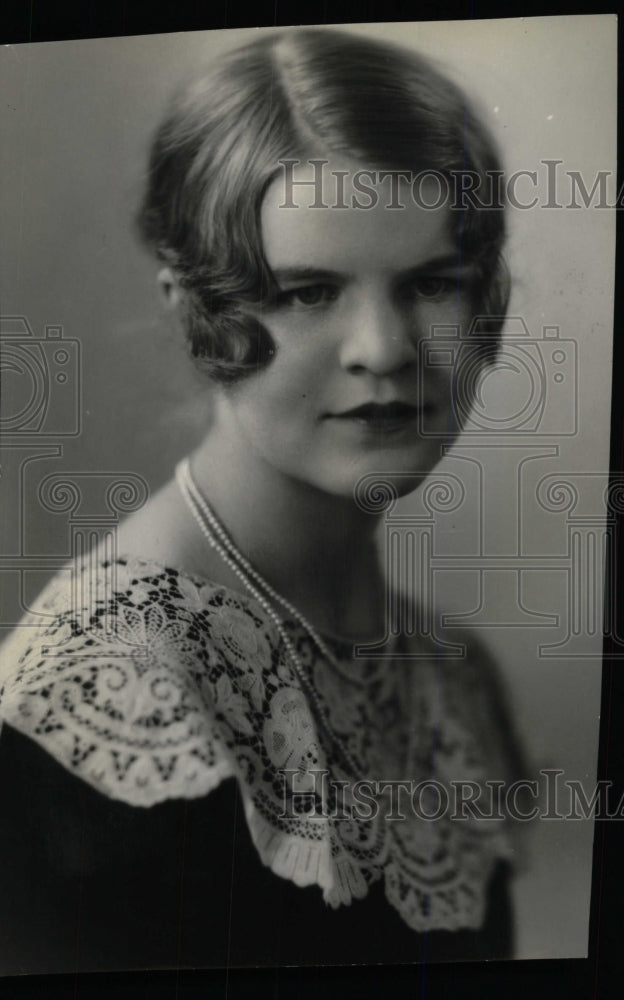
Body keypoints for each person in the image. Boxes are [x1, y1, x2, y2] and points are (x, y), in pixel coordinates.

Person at [0, 27, 527, 974]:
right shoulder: (102, 711)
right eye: (309, 292)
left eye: (432, 283)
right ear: (195, 310)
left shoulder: (451, 682)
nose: (383, 348)